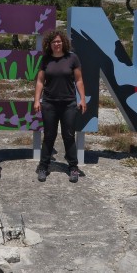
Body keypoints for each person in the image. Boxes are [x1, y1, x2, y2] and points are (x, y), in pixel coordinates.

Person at [33, 30, 87, 183]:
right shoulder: (45, 59)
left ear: (63, 42)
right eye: (54, 42)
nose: (57, 44)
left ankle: (73, 167)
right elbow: (39, 81)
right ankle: (43, 167)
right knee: (49, 136)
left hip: (68, 103)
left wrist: (82, 98)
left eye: (59, 41)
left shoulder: (72, 58)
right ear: (49, 44)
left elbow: (79, 80)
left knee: (69, 136)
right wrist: (37, 100)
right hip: (49, 103)